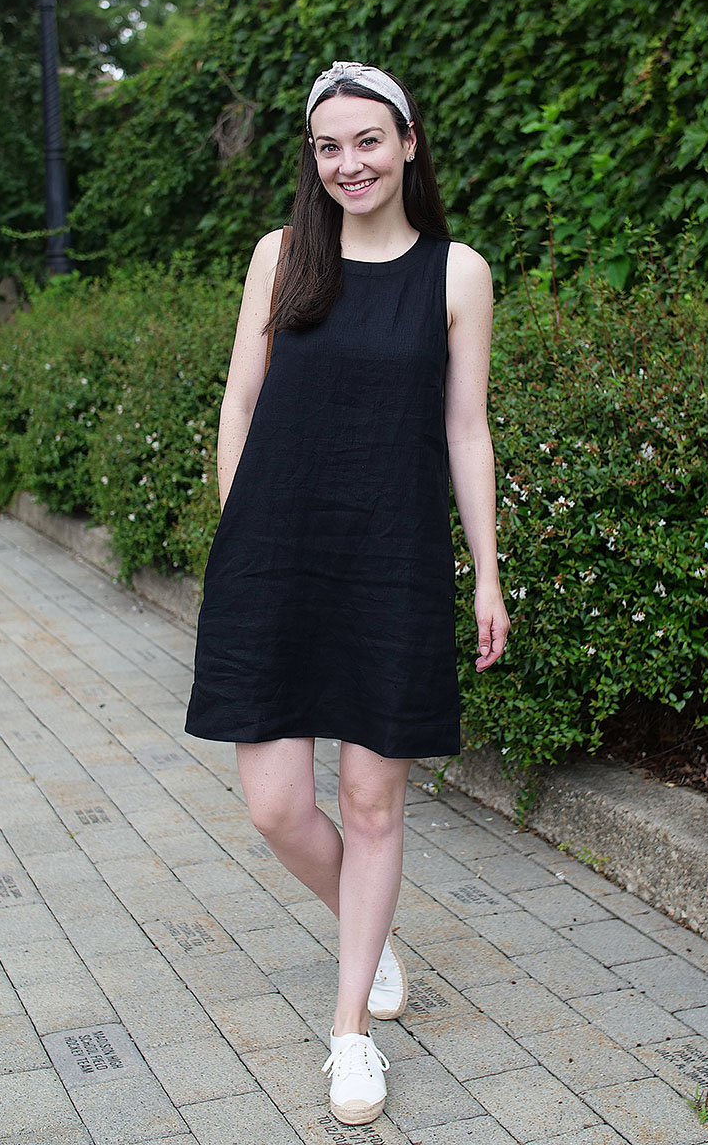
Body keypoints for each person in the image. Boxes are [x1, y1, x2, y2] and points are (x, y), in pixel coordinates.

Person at [185, 59, 509, 1126]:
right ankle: (368, 938)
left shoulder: (457, 273)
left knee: (372, 803)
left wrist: (487, 575)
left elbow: (466, 428)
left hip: (392, 562)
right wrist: (241, 536)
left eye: (367, 140)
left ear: (408, 144)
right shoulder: (280, 257)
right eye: (329, 146)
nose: (348, 162)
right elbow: (240, 401)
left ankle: (350, 1036)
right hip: (273, 557)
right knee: (277, 806)